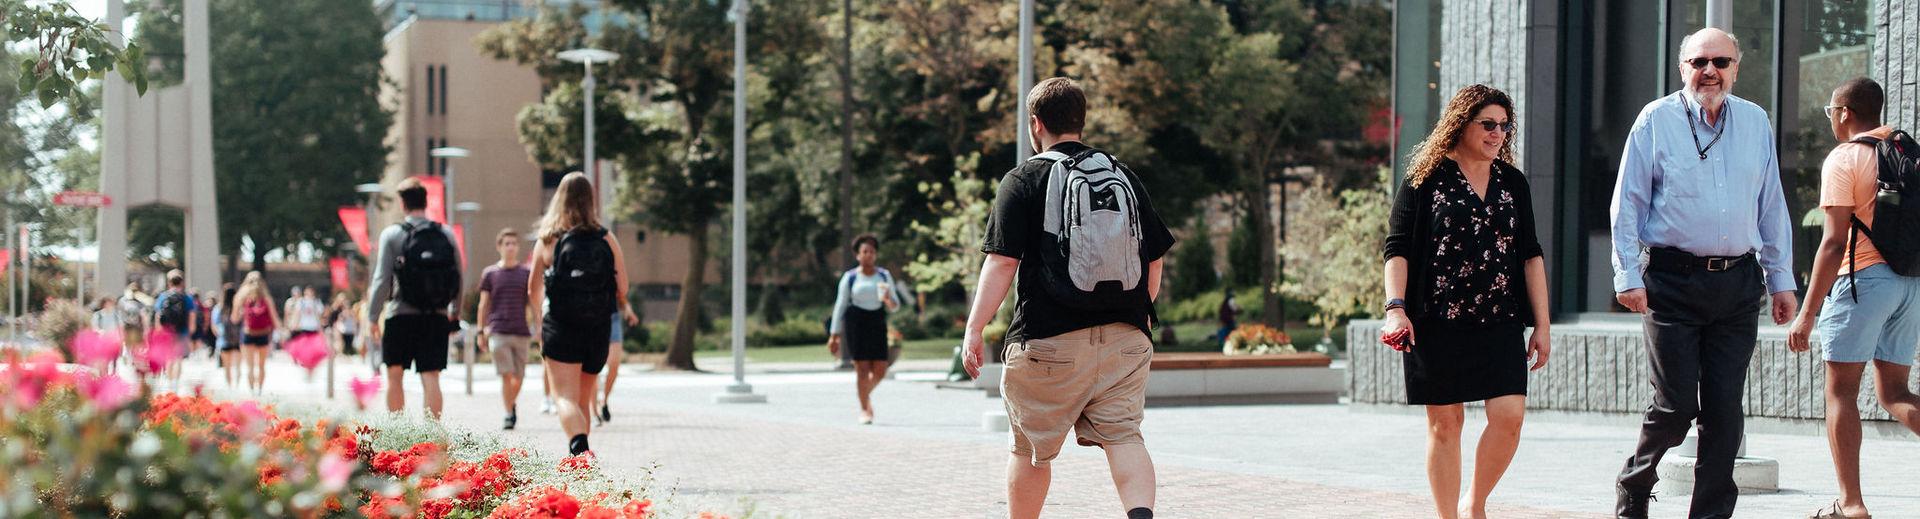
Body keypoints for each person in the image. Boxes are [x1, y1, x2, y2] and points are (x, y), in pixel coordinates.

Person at [960, 77, 1174, 519]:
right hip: (1125, 342)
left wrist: (975, 328)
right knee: (1124, 437)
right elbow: (1154, 258)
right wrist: (1141, 315)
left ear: (1034, 124)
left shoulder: (1023, 179)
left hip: (1047, 343)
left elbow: (1002, 263)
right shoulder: (1124, 175)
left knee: (1030, 450)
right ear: (1081, 121)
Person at [1609, 28, 1799, 519]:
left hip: (1737, 284)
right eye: (1698, 62)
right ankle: (1635, 481)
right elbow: (1627, 203)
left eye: (1720, 61)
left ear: (1736, 67)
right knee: (1674, 408)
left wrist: (1781, 280)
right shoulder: (1656, 119)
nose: (1709, 71)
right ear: (1683, 68)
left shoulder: (1755, 121)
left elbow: (1771, 203)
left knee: (1724, 412)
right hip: (1671, 282)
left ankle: (1711, 513)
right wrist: (1627, 274)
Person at [1380, 84, 1551, 519]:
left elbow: (1531, 255)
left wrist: (1543, 326)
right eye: (1488, 124)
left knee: (1510, 416)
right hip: (1436, 321)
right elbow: (1396, 248)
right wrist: (1395, 308)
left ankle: (1475, 501)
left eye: (1504, 126)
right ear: (1461, 123)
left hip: (1499, 319)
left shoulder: (1512, 183)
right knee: (1445, 424)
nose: (1498, 134)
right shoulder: (1425, 176)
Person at [1784, 77, 1920, 519]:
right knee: (1895, 392)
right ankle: (1851, 502)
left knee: (1841, 392)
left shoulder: (1845, 158)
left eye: (1830, 112)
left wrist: (1806, 314)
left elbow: (1832, 241)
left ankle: (1852, 504)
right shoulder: (1907, 152)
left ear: (1844, 112)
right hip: (1908, 283)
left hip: (1863, 279)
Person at [528, 172, 630, 456]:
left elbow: (532, 290)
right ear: (591, 200)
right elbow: (623, 287)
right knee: (584, 399)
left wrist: (539, 325)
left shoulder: (548, 239)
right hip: (597, 328)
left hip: (561, 327)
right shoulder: (606, 238)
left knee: (565, 398)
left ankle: (579, 447)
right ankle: (582, 464)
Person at [367, 177, 464, 419]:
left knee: (395, 374)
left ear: (403, 204)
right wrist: (455, 312)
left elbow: (381, 280)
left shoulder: (392, 235)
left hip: (400, 314)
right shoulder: (446, 234)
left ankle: (399, 434)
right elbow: (459, 276)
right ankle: (431, 437)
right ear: (425, 201)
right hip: (436, 315)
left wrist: (372, 316)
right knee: (431, 375)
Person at [828, 233, 903, 424]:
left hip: (877, 320)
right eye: (865, 251)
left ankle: (863, 394)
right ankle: (865, 409)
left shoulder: (884, 275)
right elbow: (840, 305)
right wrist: (834, 335)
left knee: (880, 369)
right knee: (861, 369)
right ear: (858, 255)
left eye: (872, 251)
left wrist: (888, 300)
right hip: (856, 322)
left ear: (876, 254)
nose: (869, 255)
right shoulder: (850, 277)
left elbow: (896, 306)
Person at [477, 228, 535, 430]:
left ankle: (511, 404)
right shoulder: (490, 274)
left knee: (519, 377)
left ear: (518, 247)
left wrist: (539, 326)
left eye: (514, 243)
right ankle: (509, 413)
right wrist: (480, 331)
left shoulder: (526, 273)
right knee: (506, 374)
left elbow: (533, 303)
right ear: (499, 247)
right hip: (498, 330)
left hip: (521, 331)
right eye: (506, 243)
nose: (510, 247)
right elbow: (483, 304)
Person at [231, 272, 282, 395]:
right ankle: (259, 390)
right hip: (263, 334)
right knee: (261, 365)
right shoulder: (266, 298)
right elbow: (274, 317)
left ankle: (252, 392)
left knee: (250, 367)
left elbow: (234, 319)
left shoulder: (241, 297)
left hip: (248, 334)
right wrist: (281, 331)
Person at [148, 270, 199, 387]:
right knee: (178, 357)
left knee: (169, 357)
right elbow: (192, 314)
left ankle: (170, 381)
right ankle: (176, 382)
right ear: (182, 283)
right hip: (182, 330)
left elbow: (158, 314)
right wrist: (191, 328)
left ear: (169, 283)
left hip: (167, 331)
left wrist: (159, 329)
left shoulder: (163, 296)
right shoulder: (187, 297)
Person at [592, 306, 638, 426]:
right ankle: (594, 413)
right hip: (591, 315)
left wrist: (627, 307)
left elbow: (621, 291)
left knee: (614, 364)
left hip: (612, 316)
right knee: (592, 367)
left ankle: (603, 400)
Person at [213, 284, 241, 388]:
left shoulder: (219, 308)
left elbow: (214, 325)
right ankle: (237, 386)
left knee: (227, 367)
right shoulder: (238, 307)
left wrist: (219, 336)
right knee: (238, 366)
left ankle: (229, 387)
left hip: (224, 340)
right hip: (238, 340)